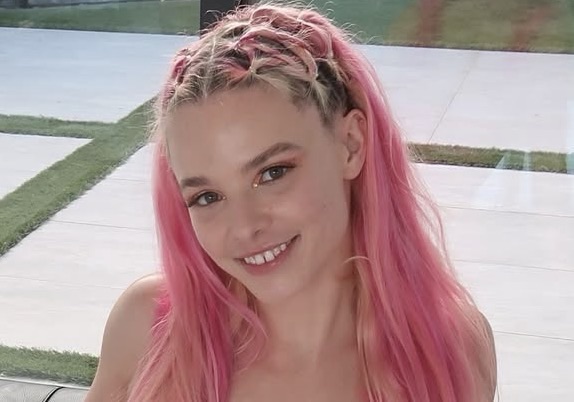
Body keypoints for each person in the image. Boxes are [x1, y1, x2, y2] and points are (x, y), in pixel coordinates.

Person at [85, 2, 497, 401]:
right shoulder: (148, 331)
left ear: (351, 144)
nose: (245, 227)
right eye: (207, 196)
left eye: (272, 173)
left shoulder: (449, 348)